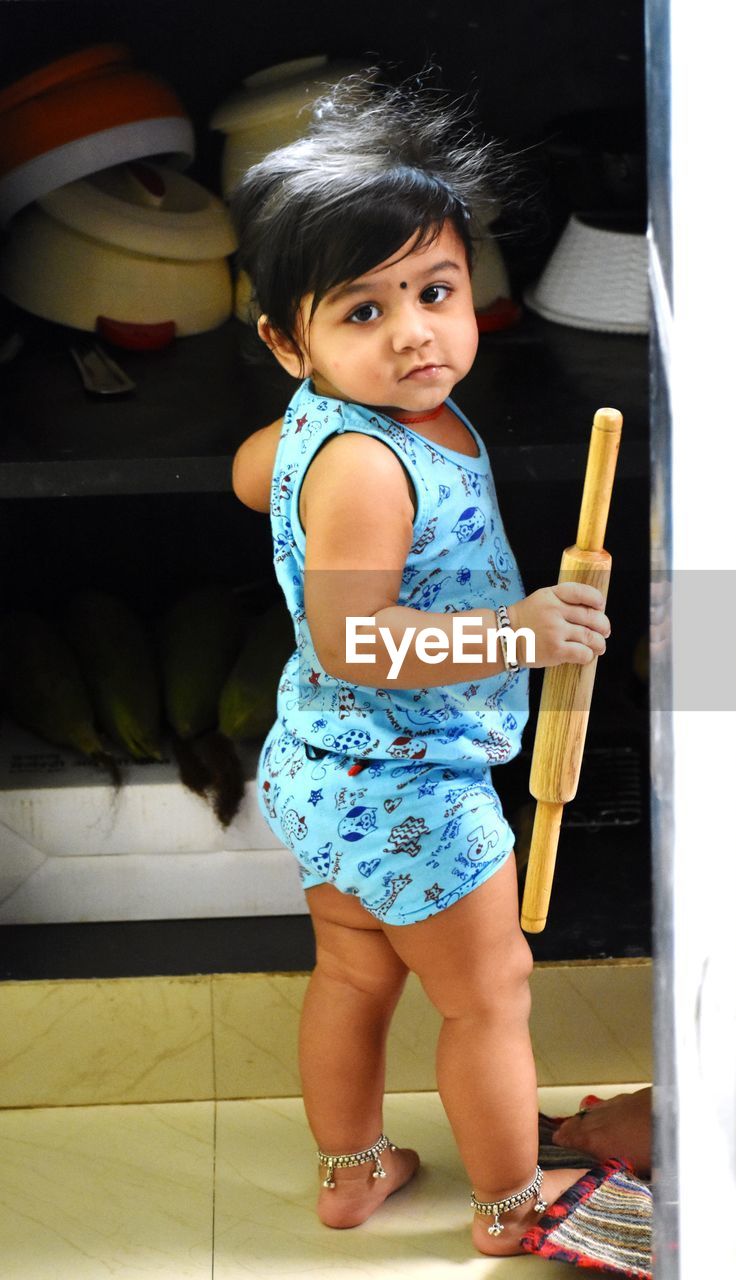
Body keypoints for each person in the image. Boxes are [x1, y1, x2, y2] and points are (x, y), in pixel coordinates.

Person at [230, 75, 611, 1257]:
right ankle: (512, 1199)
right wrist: (520, 631)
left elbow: (251, 473)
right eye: (361, 312)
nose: (412, 333)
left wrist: (291, 472)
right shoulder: (374, 465)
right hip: (410, 785)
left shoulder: (329, 425)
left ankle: (354, 1170)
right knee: (488, 991)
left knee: (351, 972)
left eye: (434, 291)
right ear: (288, 339)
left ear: (470, 292)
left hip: (322, 765)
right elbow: (359, 639)